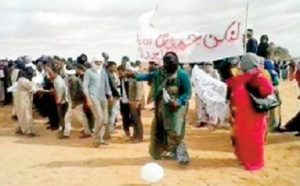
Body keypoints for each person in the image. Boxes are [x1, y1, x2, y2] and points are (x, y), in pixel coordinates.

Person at [128, 52, 191, 165]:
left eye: (174, 64)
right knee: (160, 128)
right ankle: (162, 151)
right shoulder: (160, 72)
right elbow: (150, 76)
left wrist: (179, 101)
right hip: (162, 105)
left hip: (177, 107)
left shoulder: (182, 74)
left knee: (175, 130)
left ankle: (181, 154)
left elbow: (187, 92)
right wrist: (135, 76)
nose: (172, 66)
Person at [226, 53, 274, 171]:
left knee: (254, 137)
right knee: (244, 136)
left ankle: (255, 161)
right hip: (244, 113)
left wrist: (257, 92)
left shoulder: (258, 76)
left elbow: (268, 90)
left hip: (253, 113)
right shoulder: (245, 76)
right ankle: (245, 158)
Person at [83, 57, 112, 147]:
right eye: (97, 62)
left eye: (100, 62)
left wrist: (110, 95)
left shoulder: (103, 71)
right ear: (93, 62)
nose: (99, 64)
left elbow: (107, 84)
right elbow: (85, 87)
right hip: (93, 98)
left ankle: (100, 138)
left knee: (105, 120)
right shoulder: (88, 72)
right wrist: (88, 99)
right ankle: (96, 139)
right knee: (99, 118)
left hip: (103, 98)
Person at [46, 62, 70, 139]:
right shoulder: (57, 79)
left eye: (50, 73)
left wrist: (59, 100)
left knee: (62, 117)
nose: (49, 75)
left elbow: (61, 90)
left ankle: (64, 131)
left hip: (62, 101)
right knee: (62, 117)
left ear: (55, 72)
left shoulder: (57, 81)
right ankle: (63, 130)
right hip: (62, 100)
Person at [15, 66, 41, 137]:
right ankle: (28, 131)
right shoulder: (23, 80)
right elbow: (32, 86)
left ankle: (20, 129)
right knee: (26, 115)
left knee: (22, 115)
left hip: (22, 99)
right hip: (24, 100)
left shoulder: (21, 80)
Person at [127, 63, 144, 143]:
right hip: (132, 101)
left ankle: (139, 136)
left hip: (135, 101)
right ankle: (135, 134)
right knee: (134, 119)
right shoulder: (131, 77)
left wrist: (137, 101)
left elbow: (139, 89)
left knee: (137, 119)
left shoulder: (136, 76)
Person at [106, 61, 120, 133]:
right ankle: (110, 129)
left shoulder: (109, 73)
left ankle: (109, 128)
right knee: (113, 112)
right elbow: (112, 86)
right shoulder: (109, 75)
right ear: (109, 67)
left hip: (110, 95)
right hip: (112, 95)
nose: (115, 68)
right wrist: (118, 95)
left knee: (111, 112)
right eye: (114, 67)